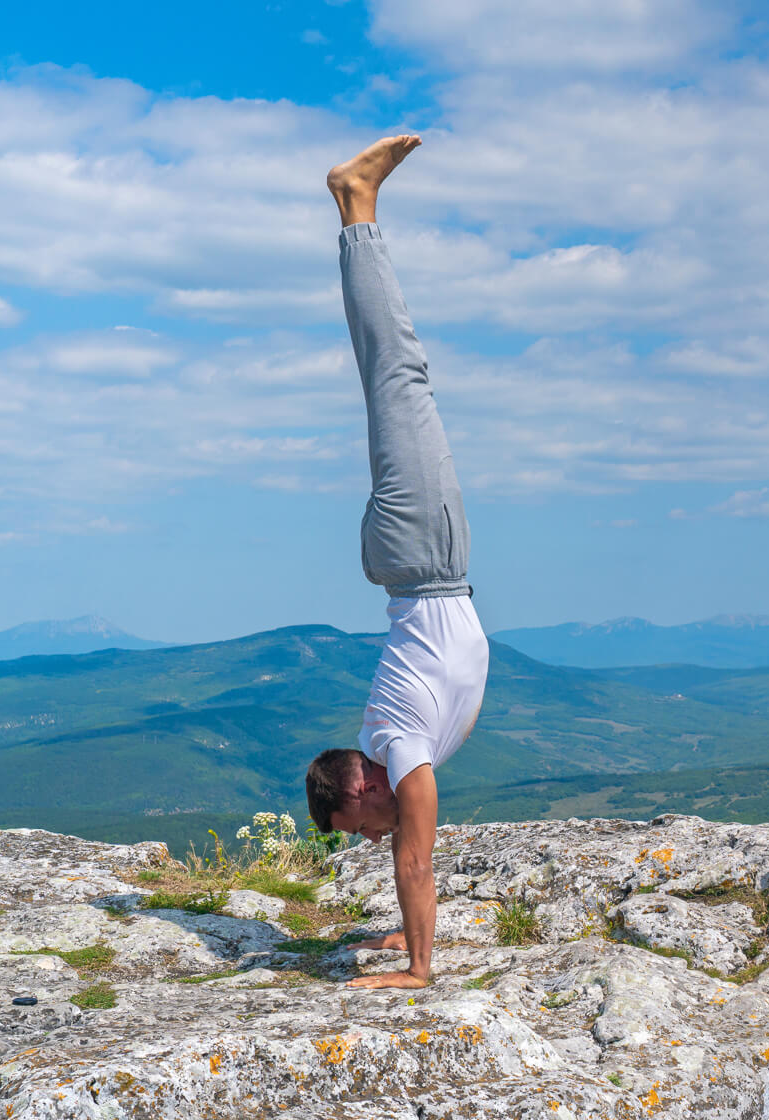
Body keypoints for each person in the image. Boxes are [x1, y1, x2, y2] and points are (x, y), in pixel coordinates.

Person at [303, 135, 490, 991]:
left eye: (357, 824)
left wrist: (419, 972)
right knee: (396, 376)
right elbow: (408, 864)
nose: (370, 837)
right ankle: (353, 208)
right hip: (422, 562)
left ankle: (357, 207)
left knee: (398, 373)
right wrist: (404, 948)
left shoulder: (400, 747)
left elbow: (414, 863)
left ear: (362, 785)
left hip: (422, 558)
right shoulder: (394, 751)